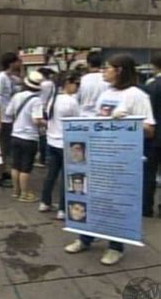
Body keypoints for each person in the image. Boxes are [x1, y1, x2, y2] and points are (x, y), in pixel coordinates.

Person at [65, 53, 155, 265]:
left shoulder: (137, 95)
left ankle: (116, 247)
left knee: (116, 202)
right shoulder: (106, 92)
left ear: (120, 70)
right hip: (99, 155)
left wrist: (128, 122)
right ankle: (85, 238)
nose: (104, 71)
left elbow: (150, 130)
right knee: (92, 198)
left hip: (121, 160)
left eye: (108, 68)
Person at [39, 71, 81, 219]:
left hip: (51, 141)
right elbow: (78, 121)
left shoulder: (53, 99)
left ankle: (45, 202)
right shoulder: (71, 101)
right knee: (66, 177)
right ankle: (62, 209)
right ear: (67, 83)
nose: (77, 86)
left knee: (51, 174)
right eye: (76, 83)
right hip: (66, 143)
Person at [5, 71, 45, 203]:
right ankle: (24, 193)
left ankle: (15, 191)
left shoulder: (17, 96)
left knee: (15, 165)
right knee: (25, 167)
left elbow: (8, 113)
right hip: (29, 137)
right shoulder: (37, 100)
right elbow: (37, 120)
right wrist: (47, 123)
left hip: (15, 135)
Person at [0, 52, 22, 188]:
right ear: (11, 63)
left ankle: (3, 171)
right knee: (3, 149)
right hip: (3, 118)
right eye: (17, 61)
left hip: (8, 117)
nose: (20, 63)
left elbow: (20, 83)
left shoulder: (9, 78)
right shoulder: (1, 78)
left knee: (6, 148)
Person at [142, 53, 161, 217]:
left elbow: (148, 113)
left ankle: (146, 207)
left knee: (149, 173)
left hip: (153, 137)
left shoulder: (152, 86)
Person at [35, 67, 57, 167]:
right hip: (48, 108)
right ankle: (46, 158)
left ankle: (43, 159)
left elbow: (39, 98)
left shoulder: (44, 85)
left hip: (42, 109)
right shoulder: (51, 84)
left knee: (42, 136)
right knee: (46, 134)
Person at [77, 51, 110, 117]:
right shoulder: (107, 80)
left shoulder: (82, 80)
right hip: (103, 115)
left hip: (84, 115)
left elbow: (77, 98)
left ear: (88, 64)